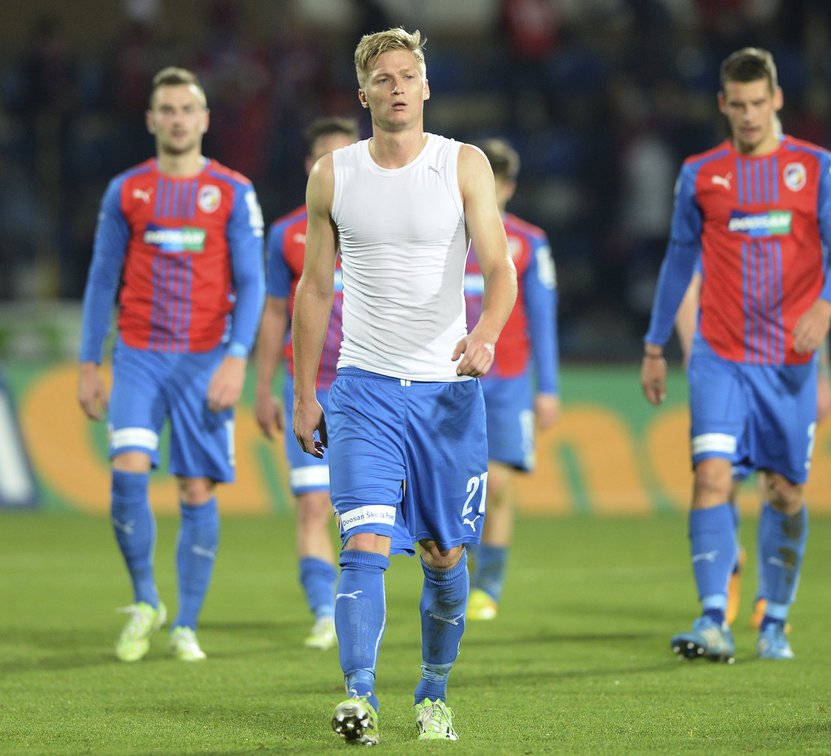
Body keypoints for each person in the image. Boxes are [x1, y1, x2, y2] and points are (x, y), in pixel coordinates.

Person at [291, 28, 517, 745]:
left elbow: (501, 269)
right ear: (363, 94)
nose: (396, 87)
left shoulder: (464, 165)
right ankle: (359, 696)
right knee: (362, 541)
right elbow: (315, 287)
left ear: (425, 86)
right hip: (362, 391)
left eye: (407, 74)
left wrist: (486, 335)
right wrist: (304, 391)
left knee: (445, 558)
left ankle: (433, 691)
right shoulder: (334, 174)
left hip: (447, 395)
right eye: (382, 77)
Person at [641, 47, 831, 663]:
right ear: (722, 105)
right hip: (720, 355)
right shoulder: (700, 173)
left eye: (758, 102)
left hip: (789, 361)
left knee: (785, 492)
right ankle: (713, 618)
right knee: (711, 478)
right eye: (737, 105)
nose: (749, 115)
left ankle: (775, 619)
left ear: (777, 99)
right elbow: (678, 262)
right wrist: (656, 345)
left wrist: (825, 308)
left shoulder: (814, 167)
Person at [77, 66, 264, 663]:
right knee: (128, 469)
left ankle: (185, 623)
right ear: (151, 118)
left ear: (205, 119)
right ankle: (146, 601)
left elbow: (254, 282)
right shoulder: (125, 190)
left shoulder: (232, 191)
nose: (178, 118)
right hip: (138, 355)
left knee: (194, 485)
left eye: (188, 109)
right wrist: (88, 361)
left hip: (207, 358)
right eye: (168, 109)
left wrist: (238, 359)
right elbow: (102, 279)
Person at [674, 267, 831, 632]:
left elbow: (813, 297)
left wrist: (823, 374)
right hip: (725, 365)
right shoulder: (713, 214)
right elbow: (686, 283)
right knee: (720, 477)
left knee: (778, 484)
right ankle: (726, 571)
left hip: (782, 368)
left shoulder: (797, 220)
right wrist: (693, 351)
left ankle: (768, 596)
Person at [254, 117, 359, 651]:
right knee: (314, 506)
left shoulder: (378, 227)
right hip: (311, 388)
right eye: (326, 158)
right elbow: (275, 313)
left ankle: (360, 606)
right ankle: (324, 612)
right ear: (311, 166)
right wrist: (264, 387)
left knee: (368, 513)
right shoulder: (287, 233)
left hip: (371, 387)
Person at [463, 138, 560, 622]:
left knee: (498, 482)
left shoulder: (528, 242)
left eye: (497, 183)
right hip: (453, 381)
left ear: (508, 188)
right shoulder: (447, 236)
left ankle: (488, 587)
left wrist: (549, 389)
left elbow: (542, 317)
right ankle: (467, 568)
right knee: (461, 485)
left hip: (508, 380)